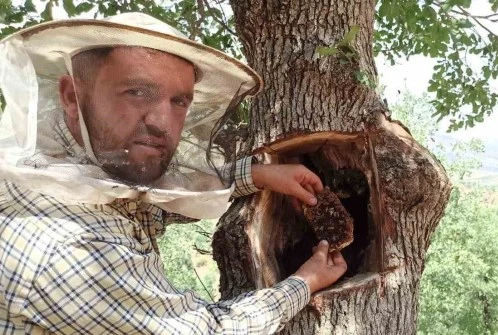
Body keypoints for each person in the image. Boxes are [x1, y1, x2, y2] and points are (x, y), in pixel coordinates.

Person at [0, 12, 346, 334]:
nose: (163, 124)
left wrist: (255, 175)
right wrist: (304, 282)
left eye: (179, 101)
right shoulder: (65, 248)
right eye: (137, 92)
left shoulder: (76, 168)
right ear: (71, 96)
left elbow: (149, 204)